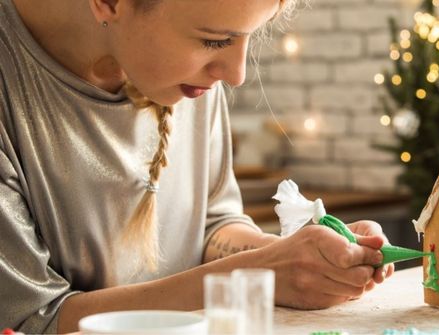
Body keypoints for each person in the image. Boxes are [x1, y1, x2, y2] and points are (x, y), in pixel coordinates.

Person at [0, 0, 395, 333]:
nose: (236, 76)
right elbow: (34, 320)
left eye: (251, 36)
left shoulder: (191, 80)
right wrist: (263, 273)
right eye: (214, 40)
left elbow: (213, 226)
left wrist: (295, 259)